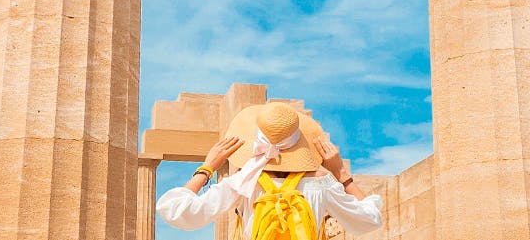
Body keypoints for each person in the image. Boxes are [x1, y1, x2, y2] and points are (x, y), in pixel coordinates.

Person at [156, 103, 383, 240]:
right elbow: (370, 218)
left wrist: (207, 168)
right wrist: (341, 173)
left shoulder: (243, 182)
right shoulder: (322, 184)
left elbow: (177, 210)